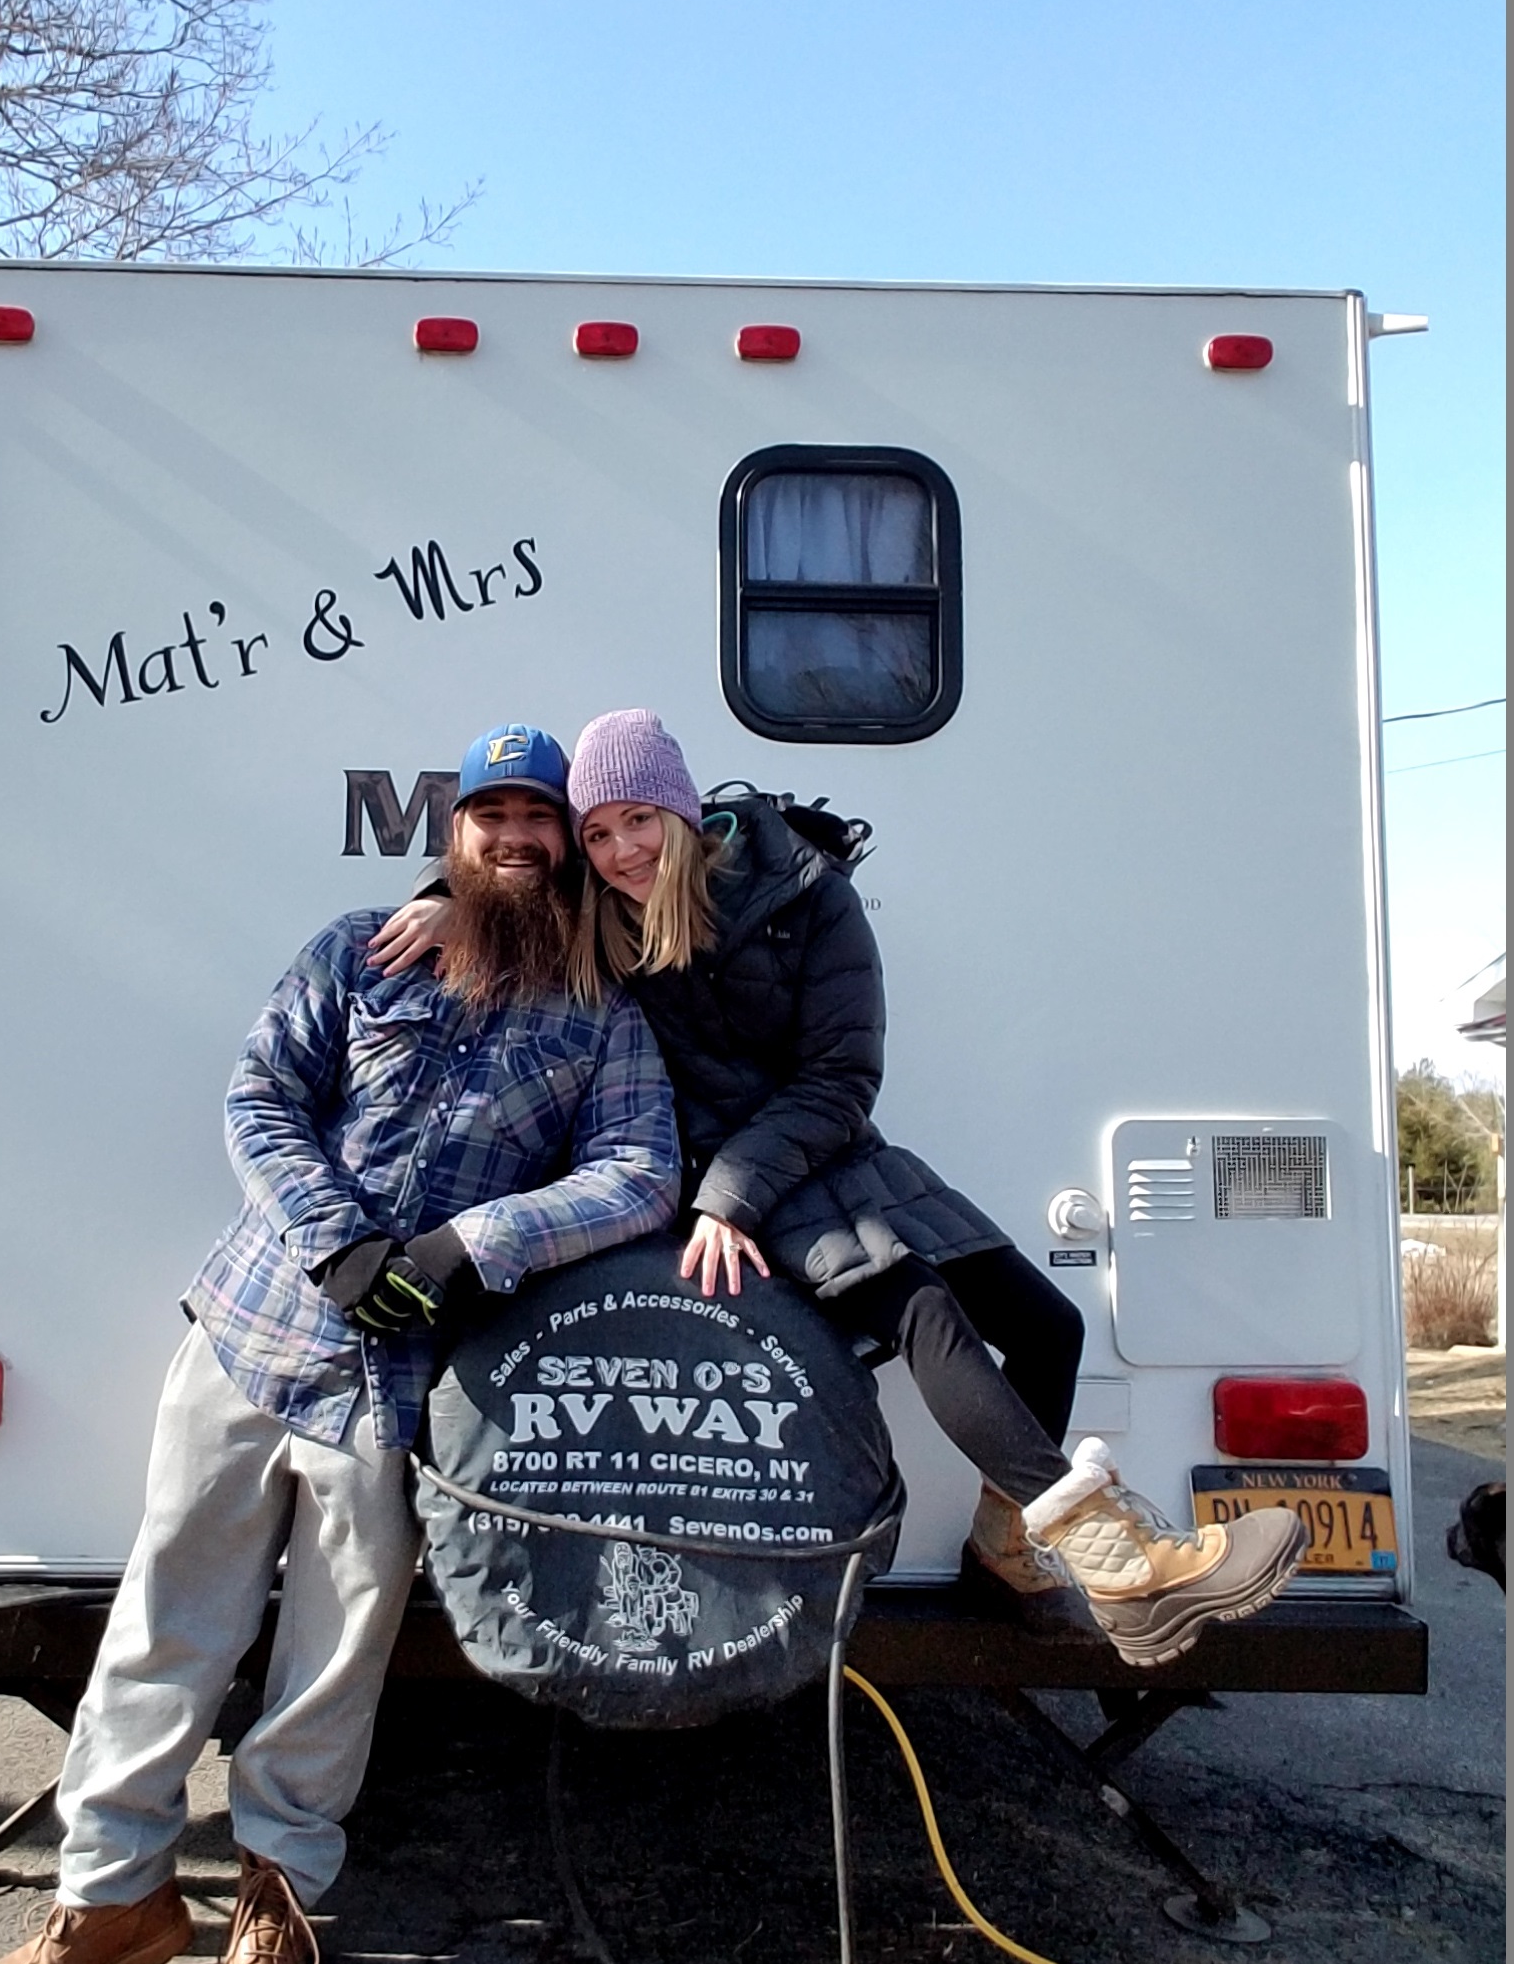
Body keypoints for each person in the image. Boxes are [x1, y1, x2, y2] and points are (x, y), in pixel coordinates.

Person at [0, 722, 679, 1964]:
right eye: (493, 817)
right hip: (250, 1333)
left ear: (566, 850)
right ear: (453, 838)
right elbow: (260, 1096)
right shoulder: (359, 947)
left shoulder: (603, 1010)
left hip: (406, 1383)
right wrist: (335, 1239)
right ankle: (108, 1901)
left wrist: (472, 1247)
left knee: (334, 1657)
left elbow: (641, 1170)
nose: (517, 838)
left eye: (541, 819)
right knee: (167, 1618)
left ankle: (275, 1912)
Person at [374, 710, 1304, 1669]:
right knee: (925, 1315)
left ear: (685, 814)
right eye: (599, 832)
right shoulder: (596, 909)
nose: (617, 852)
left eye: (639, 821)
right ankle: (1126, 1567)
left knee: (1048, 1328)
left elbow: (842, 1077)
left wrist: (742, 1183)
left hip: (829, 1147)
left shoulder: (805, 896)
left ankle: (1004, 1552)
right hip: (724, 1182)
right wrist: (446, 894)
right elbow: (508, 869)